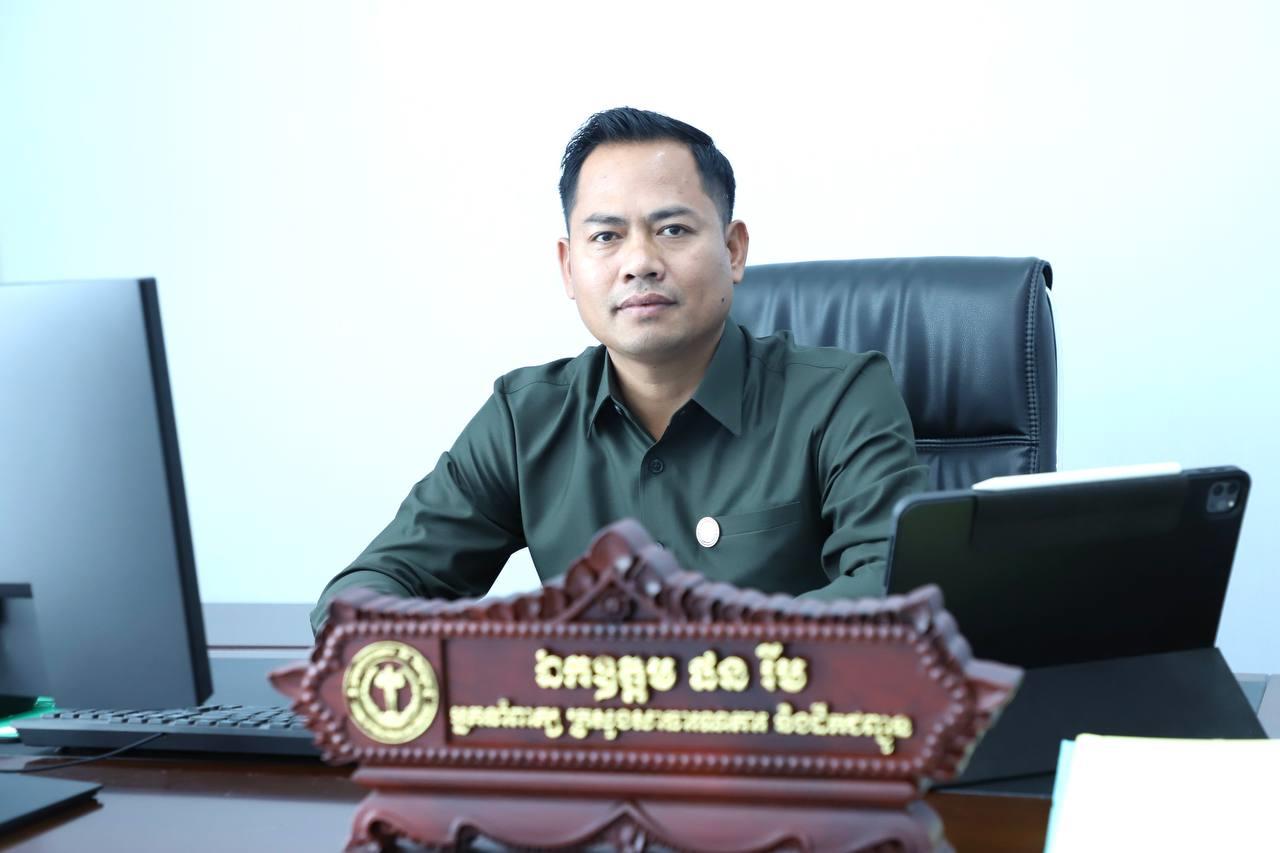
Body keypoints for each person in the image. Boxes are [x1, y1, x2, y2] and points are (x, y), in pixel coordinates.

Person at [311, 107, 928, 633]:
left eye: (673, 229)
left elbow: (894, 589)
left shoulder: (842, 397)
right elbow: (372, 589)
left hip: (783, 730)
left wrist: (692, 664)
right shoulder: (524, 420)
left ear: (734, 249)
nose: (639, 262)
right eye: (606, 237)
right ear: (568, 266)